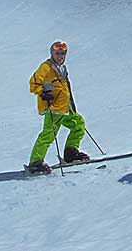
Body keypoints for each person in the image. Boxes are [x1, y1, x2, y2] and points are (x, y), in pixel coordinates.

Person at [26, 41, 90, 174]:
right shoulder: (46, 67)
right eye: (57, 53)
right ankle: (35, 162)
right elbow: (33, 84)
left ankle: (71, 153)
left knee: (78, 124)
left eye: (63, 53)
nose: (60, 56)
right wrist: (43, 92)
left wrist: (71, 104)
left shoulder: (62, 68)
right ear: (52, 53)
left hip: (65, 108)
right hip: (53, 108)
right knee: (49, 134)